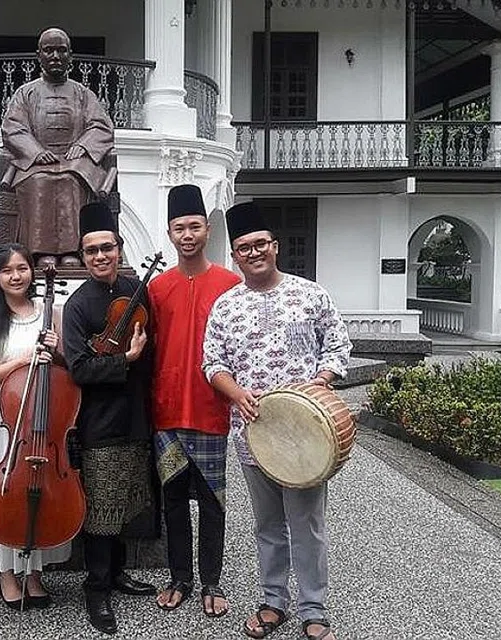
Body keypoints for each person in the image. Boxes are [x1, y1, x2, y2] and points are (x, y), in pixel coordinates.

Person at [201, 201, 351, 640]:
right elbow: (213, 363)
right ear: (235, 255)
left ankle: (313, 607)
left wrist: (321, 381)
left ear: (276, 246)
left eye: (260, 244)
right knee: (267, 524)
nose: (253, 253)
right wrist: (236, 393)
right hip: (254, 435)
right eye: (244, 247)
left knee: (307, 524)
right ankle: (272, 601)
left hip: (307, 436)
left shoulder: (311, 294)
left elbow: (337, 344)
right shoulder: (226, 306)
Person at [62, 201, 157, 635]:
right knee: (101, 508)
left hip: (135, 415)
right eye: (91, 251)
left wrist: (142, 356)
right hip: (99, 422)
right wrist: (127, 359)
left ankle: (117, 573)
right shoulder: (79, 305)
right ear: (83, 258)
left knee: (125, 502)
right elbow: (79, 368)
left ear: (119, 249)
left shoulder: (138, 289)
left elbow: (152, 349)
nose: (101, 256)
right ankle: (96, 588)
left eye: (107, 248)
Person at [148, 185, 241, 618]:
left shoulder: (230, 284)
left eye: (194, 226)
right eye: (179, 228)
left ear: (206, 229)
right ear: (169, 233)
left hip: (210, 409)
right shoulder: (157, 287)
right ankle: (179, 577)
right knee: (172, 502)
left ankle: (211, 581)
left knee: (212, 501)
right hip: (166, 410)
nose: (187, 235)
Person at [0, 243, 71, 608]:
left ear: (31, 272)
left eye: (22, 268)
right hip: (3, 416)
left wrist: (56, 351)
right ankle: (7, 574)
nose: (16, 276)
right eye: (7, 270)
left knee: (41, 490)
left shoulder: (51, 313)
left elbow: (63, 366)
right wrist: (25, 358)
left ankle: (35, 573)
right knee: (5, 488)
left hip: (44, 417)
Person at [2, 27, 115, 268]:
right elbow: (12, 127)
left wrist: (83, 146)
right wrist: (34, 150)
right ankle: (42, 251)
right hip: (36, 163)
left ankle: (72, 251)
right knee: (40, 180)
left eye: (61, 50)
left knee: (71, 179)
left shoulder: (83, 94)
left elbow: (102, 126)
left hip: (74, 161)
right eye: (49, 50)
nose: (55, 56)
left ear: (70, 57)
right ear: (39, 55)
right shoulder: (25, 93)